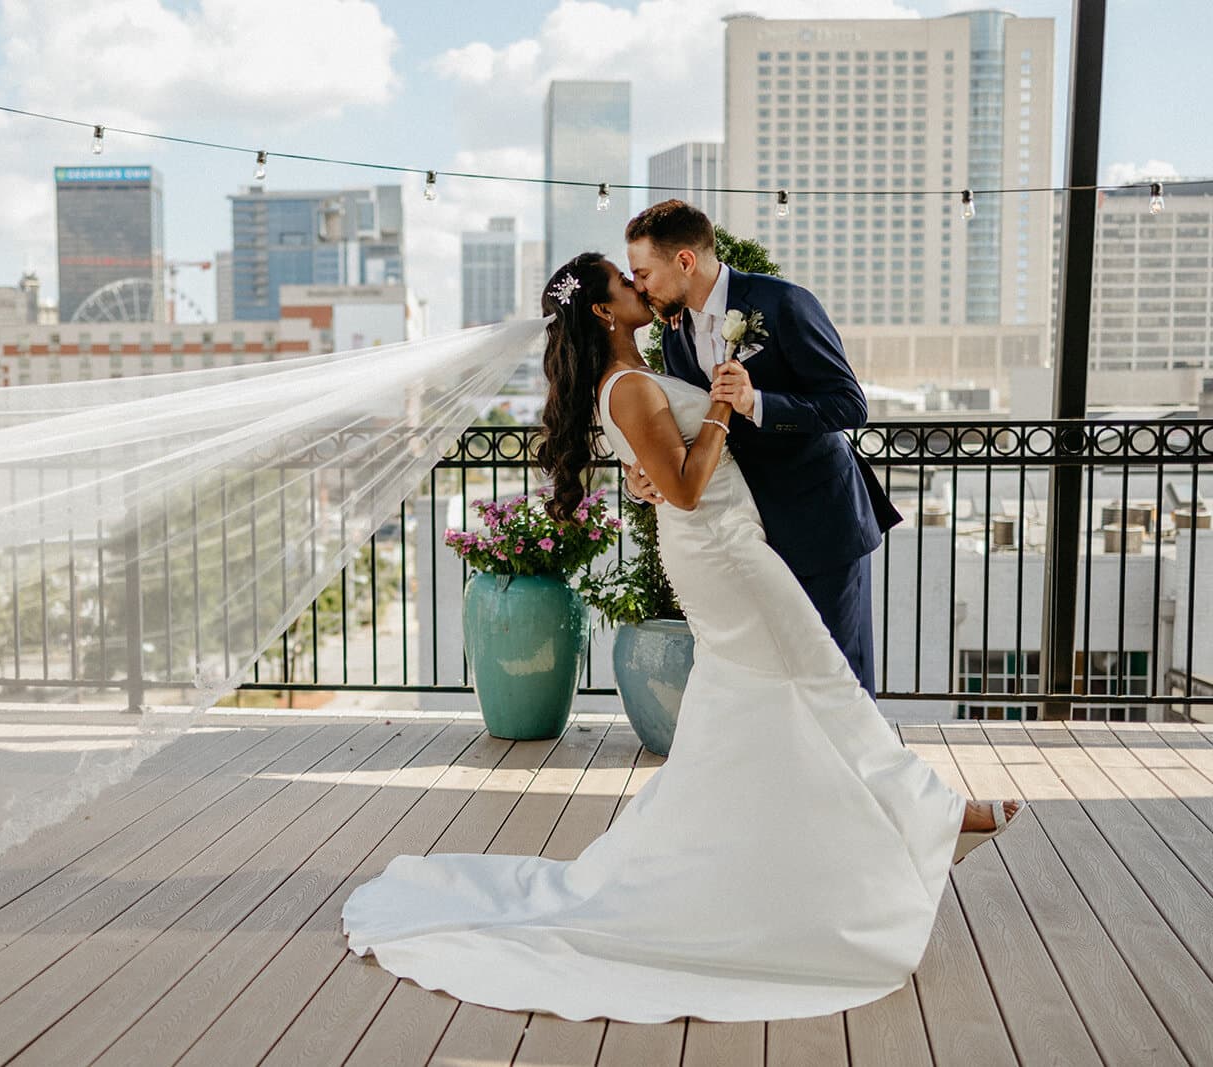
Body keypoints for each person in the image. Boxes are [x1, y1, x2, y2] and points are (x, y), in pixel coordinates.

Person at [339, 253, 1022, 1024]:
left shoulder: (642, 370)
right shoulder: (627, 384)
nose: (640, 289)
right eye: (624, 284)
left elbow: (669, 464)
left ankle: (842, 839)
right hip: (723, 554)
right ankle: (927, 817)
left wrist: (663, 454)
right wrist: (725, 403)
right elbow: (691, 484)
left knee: (780, 697)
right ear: (602, 311)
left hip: (731, 545)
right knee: (814, 683)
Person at [624, 199, 896, 697]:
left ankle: (854, 777)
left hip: (821, 526)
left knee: (838, 678)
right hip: (750, 540)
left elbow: (849, 405)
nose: (639, 287)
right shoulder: (676, 334)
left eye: (644, 273)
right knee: (781, 683)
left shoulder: (783, 302)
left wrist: (757, 403)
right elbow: (693, 433)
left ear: (684, 261)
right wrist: (644, 482)